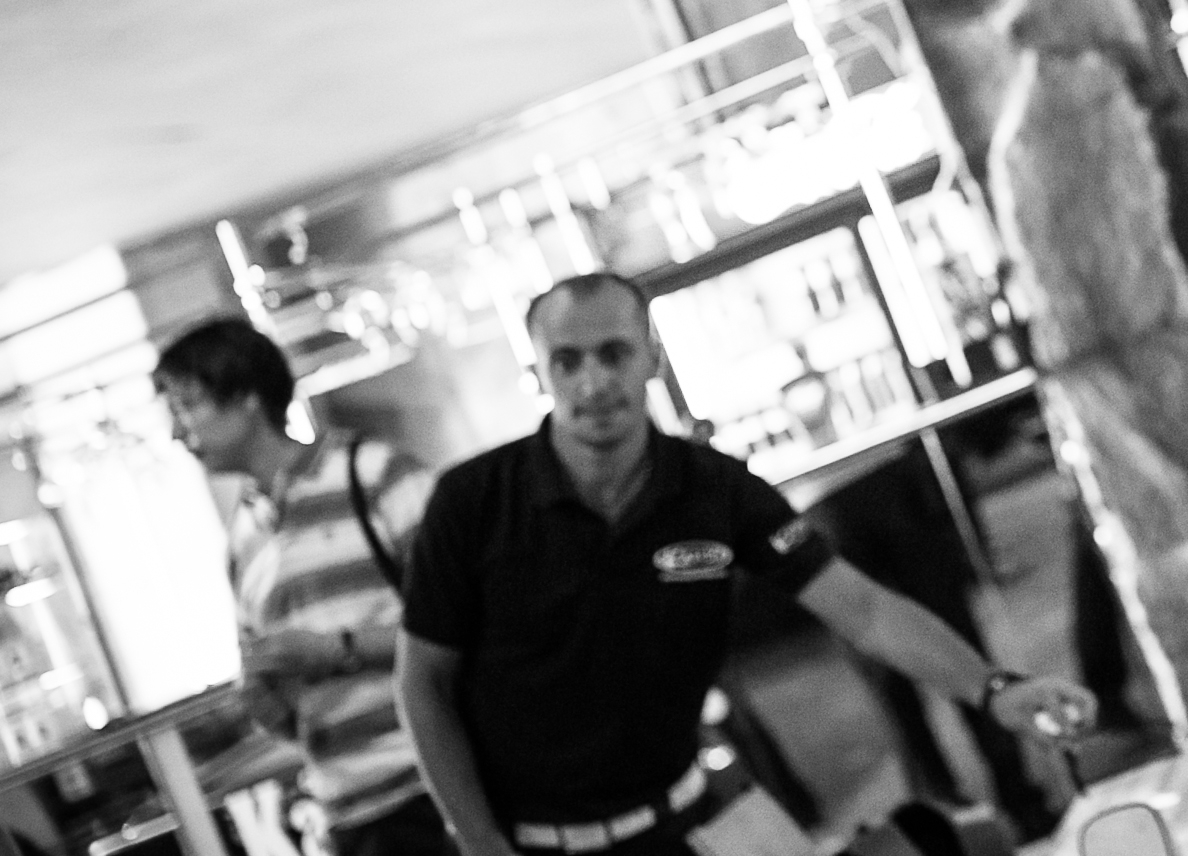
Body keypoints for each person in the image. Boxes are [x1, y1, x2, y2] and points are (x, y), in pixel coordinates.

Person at [394, 273, 1094, 856]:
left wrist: (994, 688)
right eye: (567, 362)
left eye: (613, 353)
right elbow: (422, 681)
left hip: (688, 822)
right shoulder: (472, 502)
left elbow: (865, 611)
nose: (593, 381)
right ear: (538, 375)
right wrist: (479, 842)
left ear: (652, 359)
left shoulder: (714, 490)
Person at [156, 316, 449, 856]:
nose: (177, 432)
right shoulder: (242, 540)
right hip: (349, 814)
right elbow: (292, 716)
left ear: (246, 397)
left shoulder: (375, 473)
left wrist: (338, 650)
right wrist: (266, 698)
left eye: (187, 406)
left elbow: (475, 621)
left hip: (435, 789)